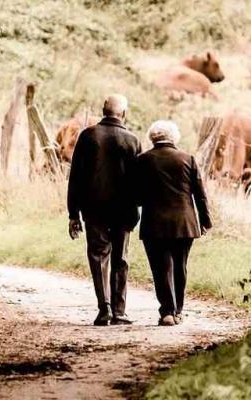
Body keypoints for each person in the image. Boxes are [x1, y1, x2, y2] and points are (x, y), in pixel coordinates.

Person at [67, 94, 141, 326]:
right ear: (124, 114)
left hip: (94, 209)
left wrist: (73, 213)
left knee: (98, 256)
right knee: (121, 258)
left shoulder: (88, 136)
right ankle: (120, 311)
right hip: (124, 210)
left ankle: (104, 308)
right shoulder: (132, 140)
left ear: (103, 110)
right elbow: (139, 181)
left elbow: (75, 178)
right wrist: (137, 208)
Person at [135, 120, 212, 326]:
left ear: (152, 137)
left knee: (160, 268)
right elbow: (200, 194)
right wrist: (205, 220)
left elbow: (136, 196)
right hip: (184, 223)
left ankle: (167, 311)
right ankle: (178, 310)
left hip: (154, 223)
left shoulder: (142, 160)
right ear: (174, 137)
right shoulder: (188, 159)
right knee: (180, 266)